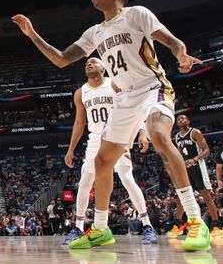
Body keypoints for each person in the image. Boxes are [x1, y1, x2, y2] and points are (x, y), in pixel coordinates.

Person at [12, 0, 211, 252]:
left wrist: (182, 55)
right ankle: (102, 228)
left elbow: (172, 42)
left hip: (154, 88)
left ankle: (196, 221)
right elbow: (60, 59)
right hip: (125, 98)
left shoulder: (136, 13)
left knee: (158, 135)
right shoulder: (94, 32)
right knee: (102, 161)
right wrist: (33, 35)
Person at [62, 58, 157, 245]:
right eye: (87, 63)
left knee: (127, 179)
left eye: (94, 62)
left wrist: (142, 131)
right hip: (95, 139)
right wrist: (70, 149)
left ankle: (147, 225)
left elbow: (134, 107)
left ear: (104, 67)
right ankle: (78, 228)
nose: (89, 64)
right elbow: (80, 123)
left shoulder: (114, 83)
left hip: (117, 135)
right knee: (84, 183)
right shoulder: (81, 92)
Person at [167, 115, 223, 238]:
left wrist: (194, 159)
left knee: (206, 197)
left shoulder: (195, 132)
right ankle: (177, 226)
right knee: (181, 197)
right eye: (178, 119)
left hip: (197, 167)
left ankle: (217, 226)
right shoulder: (177, 136)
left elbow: (206, 150)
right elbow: (178, 153)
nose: (181, 120)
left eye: (183, 118)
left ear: (188, 121)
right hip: (185, 168)